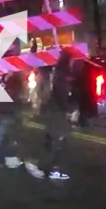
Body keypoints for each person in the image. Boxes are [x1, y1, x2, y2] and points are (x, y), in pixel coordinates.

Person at [25, 50, 73, 180]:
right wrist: (69, 110)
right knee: (59, 140)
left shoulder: (54, 73)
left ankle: (40, 162)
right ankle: (50, 168)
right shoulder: (63, 75)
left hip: (51, 109)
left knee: (51, 138)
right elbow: (62, 95)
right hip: (57, 111)